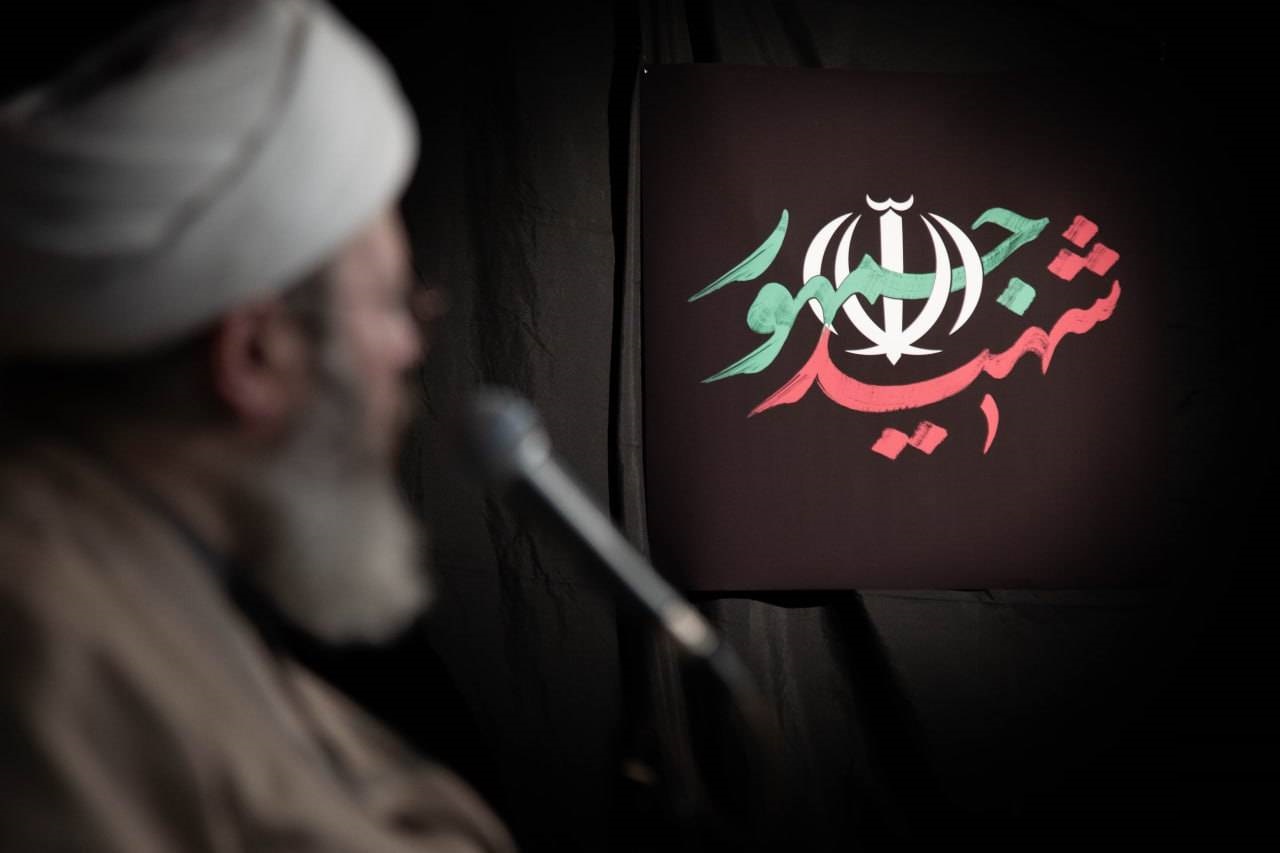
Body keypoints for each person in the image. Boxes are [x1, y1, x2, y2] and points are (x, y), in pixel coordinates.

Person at [0, 1, 515, 849]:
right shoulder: (40, 644)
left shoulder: (152, 568)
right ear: (254, 355)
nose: (409, 346)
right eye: (389, 303)